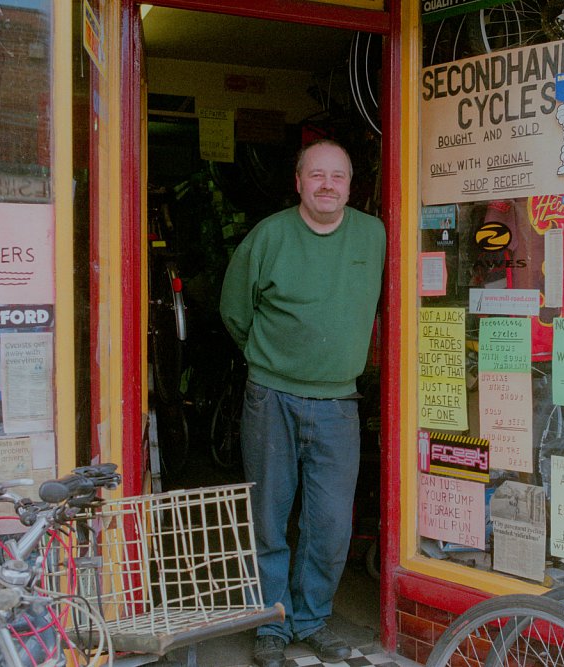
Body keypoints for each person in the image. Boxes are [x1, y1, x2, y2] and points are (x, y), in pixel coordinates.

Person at [219, 139, 385, 667]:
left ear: (350, 185)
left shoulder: (373, 234)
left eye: (338, 176)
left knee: (331, 524)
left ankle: (311, 620)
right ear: (298, 182)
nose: (328, 185)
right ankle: (271, 623)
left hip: (338, 402)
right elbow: (233, 310)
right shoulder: (269, 236)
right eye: (317, 175)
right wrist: (267, 361)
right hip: (271, 397)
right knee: (269, 517)